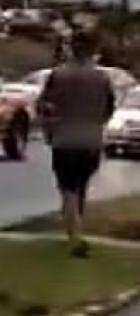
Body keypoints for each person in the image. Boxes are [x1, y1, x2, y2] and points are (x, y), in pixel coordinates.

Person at [36, 31, 114, 257]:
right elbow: (109, 109)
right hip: (92, 141)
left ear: (71, 48)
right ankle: (75, 228)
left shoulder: (58, 75)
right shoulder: (102, 78)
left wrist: (49, 127)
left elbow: (43, 106)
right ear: (93, 51)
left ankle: (76, 238)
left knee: (67, 188)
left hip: (65, 139)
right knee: (80, 186)